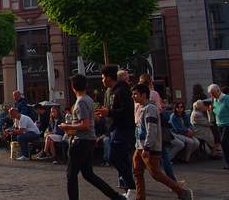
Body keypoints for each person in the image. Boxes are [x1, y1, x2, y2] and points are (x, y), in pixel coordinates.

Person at [59, 74, 124, 200]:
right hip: (89, 140)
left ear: (73, 87)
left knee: (71, 175)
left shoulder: (81, 101)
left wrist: (68, 127)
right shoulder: (88, 99)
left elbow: (85, 124)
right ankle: (115, 196)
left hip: (81, 141)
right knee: (88, 174)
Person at [132, 83, 192, 200]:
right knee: (137, 171)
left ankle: (181, 192)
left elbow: (152, 129)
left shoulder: (150, 109)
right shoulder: (142, 108)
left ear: (144, 95)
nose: (133, 96)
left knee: (156, 174)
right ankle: (140, 197)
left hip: (149, 148)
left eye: (135, 94)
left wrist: (147, 147)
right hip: (139, 146)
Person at [97, 65, 136, 197]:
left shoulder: (122, 91)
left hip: (123, 129)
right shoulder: (114, 91)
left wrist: (109, 112)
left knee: (114, 157)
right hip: (117, 129)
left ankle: (132, 187)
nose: (102, 80)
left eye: (103, 78)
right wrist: (107, 113)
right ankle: (130, 189)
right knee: (121, 159)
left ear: (108, 77)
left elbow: (127, 111)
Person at [209, 84, 229, 170]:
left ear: (218, 91)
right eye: (210, 94)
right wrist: (212, 109)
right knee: (224, 144)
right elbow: (216, 110)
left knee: (224, 142)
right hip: (220, 124)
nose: (211, 95)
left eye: (213, 93)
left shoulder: (227, 98)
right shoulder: (214, 99)